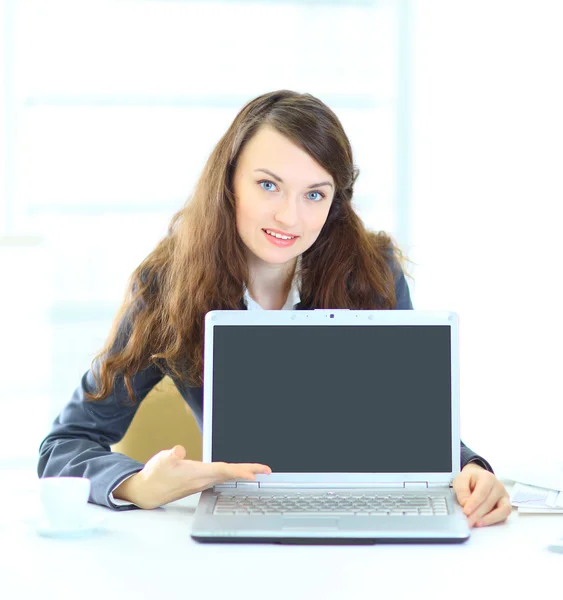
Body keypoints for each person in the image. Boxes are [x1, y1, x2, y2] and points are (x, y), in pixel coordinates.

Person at [38, 89, 511, 528]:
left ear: (335, 201)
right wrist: (138, 485)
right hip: (243, 514)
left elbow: (415, 423)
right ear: (229, 182)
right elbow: (64, 444)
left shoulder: (373, 272)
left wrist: (471, 468)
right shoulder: (168, 284)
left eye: (314, 194)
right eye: (268, 185)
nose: (290, 217)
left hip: (365, 514)